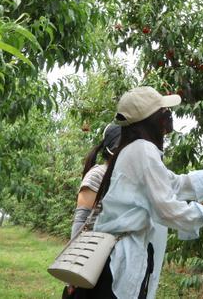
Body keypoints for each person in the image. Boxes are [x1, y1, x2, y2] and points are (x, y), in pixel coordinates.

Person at [72, 86, 203, 299]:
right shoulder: (143, 150)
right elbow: (166, 209)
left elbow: (174, 183)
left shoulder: (133, 150)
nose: (168, 115)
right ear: (151, 119)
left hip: (119, 253)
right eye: (164, 111)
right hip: (120, 257)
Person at [62, 124, 122, 298]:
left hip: (114, 260)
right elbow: (81, 222)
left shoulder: (126, 177)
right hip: (91, 259)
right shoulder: (97, 175)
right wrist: (72, 270)